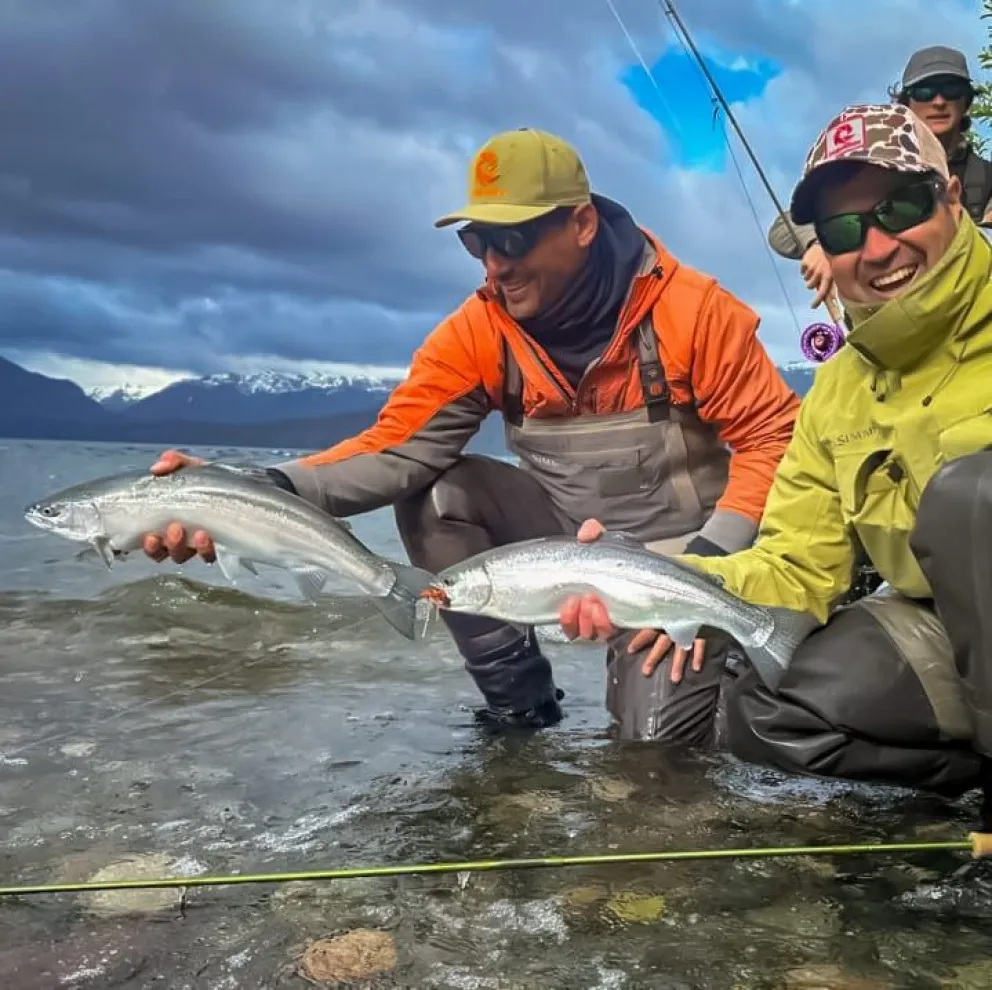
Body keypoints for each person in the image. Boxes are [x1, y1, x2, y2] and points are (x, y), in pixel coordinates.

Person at [138, 127, 800, 736]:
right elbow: (396, 446)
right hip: (565, 542)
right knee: (436, 489)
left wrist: (708, 569)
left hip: (688, 555)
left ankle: (731, 663)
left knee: (654, 752)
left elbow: (773, 440)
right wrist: (250, 489)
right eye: (475, 241)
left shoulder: (693, 311)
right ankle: (521, 709)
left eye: (510, 240)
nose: (493, 265)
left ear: (581, 223)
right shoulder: (480, 330)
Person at [559, 103, 992, 848]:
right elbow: (795, 566)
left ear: (952, 196)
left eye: (903, 207)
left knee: (972, 498)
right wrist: (647, 573)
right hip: (945, 633)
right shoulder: (834, 394)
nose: (880, 245)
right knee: (765, 709)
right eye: (847, 230)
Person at [769, 46, 992, 314]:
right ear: (906, 101)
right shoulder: (871, 164)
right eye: (924, 92)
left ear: (966, 101)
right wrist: (822, 242)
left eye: (951, 89)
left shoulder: (986, 176)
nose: (939, 101)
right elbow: (782, 228)